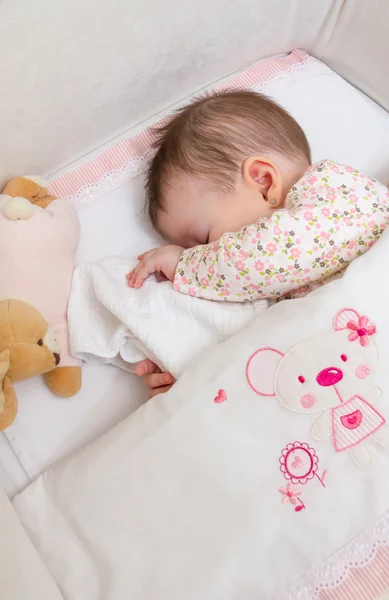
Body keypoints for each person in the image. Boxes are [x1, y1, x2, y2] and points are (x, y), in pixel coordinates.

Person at [127, 90, 389, 396]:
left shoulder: (335, 193)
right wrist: (189, 372)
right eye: (195, 250)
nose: (206, 255)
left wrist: (185, 265)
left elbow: (261, 259)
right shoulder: (285, 281)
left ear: (264, 182)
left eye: (205, 240)